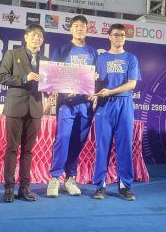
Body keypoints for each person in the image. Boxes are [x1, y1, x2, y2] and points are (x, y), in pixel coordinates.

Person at [46, 15, 98, 197]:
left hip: (85, 104)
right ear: (70, 29)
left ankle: (70, 178)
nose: (79, 29)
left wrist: (94, 89)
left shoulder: (93, 52)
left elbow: (97, 77)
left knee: (78, 141)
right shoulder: (62, 50)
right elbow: (52, 76)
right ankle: (55, 178)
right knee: (63, 138)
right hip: (66, 104)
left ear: (87, 29)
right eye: (76, 26)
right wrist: (62, 90)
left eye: (83, 26)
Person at [0, 24, 48, 203]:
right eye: (33, 35)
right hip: (15, 107)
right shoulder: (12, 54)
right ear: (25, 37)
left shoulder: (46, 60)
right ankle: (9, 188)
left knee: (28, 151)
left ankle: (24, 188)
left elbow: (48, 85)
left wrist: (55, 89)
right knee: (12, 149)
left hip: (35, 109)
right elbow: (2, 77)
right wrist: (25, 78)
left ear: (43, 40)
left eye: (40, 36)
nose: (36, 39)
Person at [93, 23, 141, 201]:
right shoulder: (100, 58)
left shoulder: (131, 58)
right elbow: (94, 81)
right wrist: (92, 92)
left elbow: (132, 84)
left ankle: (124, 187)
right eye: (116, 34)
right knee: (102, 146)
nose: (119, 38)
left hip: (124, 104)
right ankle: (100, 186)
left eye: (122, 35)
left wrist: (111, 91)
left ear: (125, 38)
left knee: (124, 146)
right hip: (104, 105)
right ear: (109, 37)